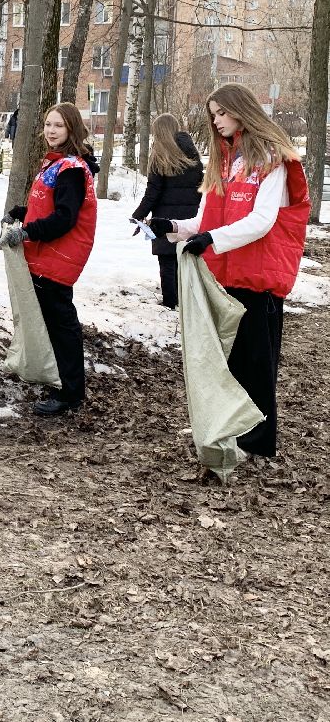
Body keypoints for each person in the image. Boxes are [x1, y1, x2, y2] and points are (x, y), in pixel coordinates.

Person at [149, 84, 308, 459]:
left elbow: (262, 221)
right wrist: (171, 226)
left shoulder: (273, 159)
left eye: (221, 113)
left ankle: (257, 441)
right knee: (231, 359)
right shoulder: (225, 160)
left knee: (257, 361)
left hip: (259, 279)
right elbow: (205, 219)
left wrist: (210, 240)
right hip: (227, 277)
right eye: (213, 114)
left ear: (241, 110)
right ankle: (234, 427)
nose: (216, 121)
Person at [0, 102, 98, 416]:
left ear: (71, 129)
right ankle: (60, 382)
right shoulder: (57, 164)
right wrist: (22, 214)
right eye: (48, 124)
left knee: (61, 325)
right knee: (53, 323)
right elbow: (48, 208)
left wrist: (27, 233)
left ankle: (70, 392)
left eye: (58, 125)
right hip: (46, 255)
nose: (51, 131)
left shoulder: (71, 170)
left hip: (58, 258)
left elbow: (65, 218)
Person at [130, 113, 203, 309]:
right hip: (190, 216)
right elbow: (200, 185)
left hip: (164, 218)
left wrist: (138, 215)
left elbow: (152, 193)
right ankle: (188, 301)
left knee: (167, 262)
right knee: (186, 258)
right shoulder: (193, 154)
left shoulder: (160, 156)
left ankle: (171, 302)